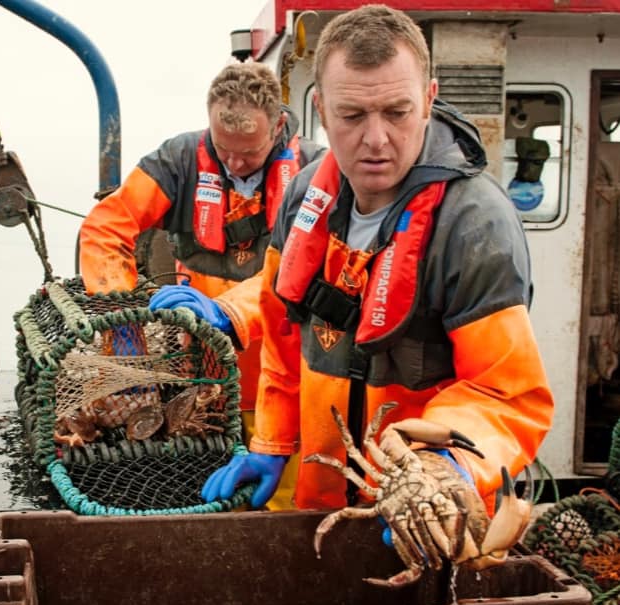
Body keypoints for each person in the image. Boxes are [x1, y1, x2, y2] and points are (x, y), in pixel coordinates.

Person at [202, 3, 554, 532]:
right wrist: (273, 441)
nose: (375, 140)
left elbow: (506, 392)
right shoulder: (304, 197)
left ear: (429, 99)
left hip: (426, 513)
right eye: (352, 116)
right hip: (318, 503)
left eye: (397, 112)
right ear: (320, 108)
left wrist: (444, 467)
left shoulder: (474, 225)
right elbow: (281, 332)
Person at [78, 61, 326, 509]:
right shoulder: (178, 160)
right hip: (201, 385)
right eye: (223, 147)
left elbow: (299, 271)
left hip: (286, 379)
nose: (233, 162)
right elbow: (105, 228)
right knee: (203, 503)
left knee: (285, 508)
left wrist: (227, 312)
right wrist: (122, 324)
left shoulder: (317, 173)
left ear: (279, 127)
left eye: (248, 152)